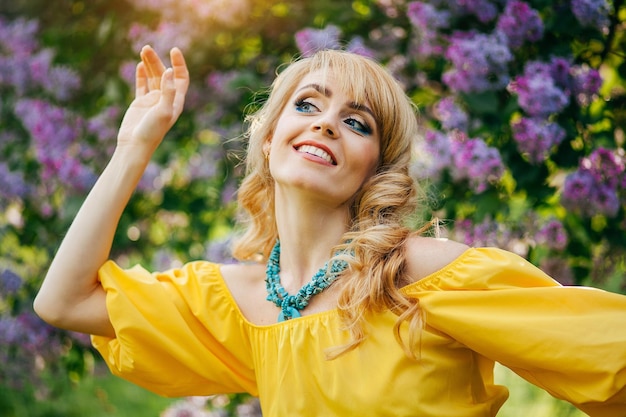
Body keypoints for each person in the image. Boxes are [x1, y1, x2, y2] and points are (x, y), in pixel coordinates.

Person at [34, 45, 626, 416]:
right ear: (270, 139)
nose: (325, 125)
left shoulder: (419, 273)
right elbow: (63, 301)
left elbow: (608, 352)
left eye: (355, 121)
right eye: (308, 105)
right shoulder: (240, 304)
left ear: (375, 166)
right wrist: (133, 148)